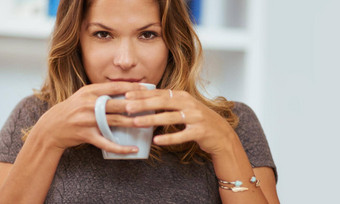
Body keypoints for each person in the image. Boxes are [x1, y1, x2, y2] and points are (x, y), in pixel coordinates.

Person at [0, 0, 279, 203]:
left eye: (147, 34)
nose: (125, 60)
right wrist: (47, 138)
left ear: (172, 43)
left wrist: (226, 145)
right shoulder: (34, 116)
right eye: (103, 34)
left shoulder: (233, 124)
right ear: (76, 42)